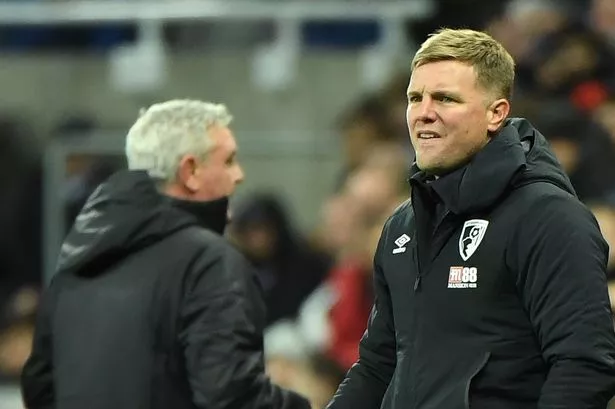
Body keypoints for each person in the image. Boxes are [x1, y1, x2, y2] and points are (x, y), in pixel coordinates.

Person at [327, 28, 615, 409]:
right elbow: (377, 368)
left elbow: (584, 365)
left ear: (496, 113)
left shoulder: (549, 218)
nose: (424, 113)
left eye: (445, 98)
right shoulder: (402, 227)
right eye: (415, 98)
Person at [20, 100, 312, 409]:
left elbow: (40, 388)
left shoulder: (80, 256)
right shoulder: (210, 263)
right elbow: (231, 398)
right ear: (190, 171)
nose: (239, 175)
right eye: (228, 161)